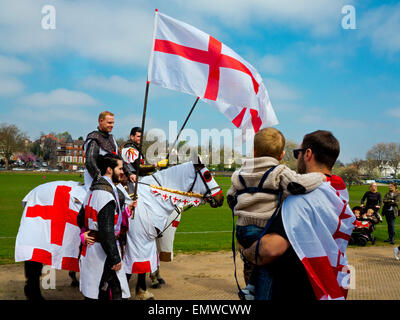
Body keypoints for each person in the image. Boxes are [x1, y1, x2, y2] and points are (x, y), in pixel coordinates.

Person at [241, 130, 355, 300]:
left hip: (294, 288)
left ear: (308, 154)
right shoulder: (338, 194)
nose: (296, 158)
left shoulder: (300, 200)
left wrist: (246, 252)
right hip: (323, 283)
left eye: (297, 153)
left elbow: (271, 249)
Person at [227, 127, 325, 300]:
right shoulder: (279, 172)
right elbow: (298, 185)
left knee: (256, 261)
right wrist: (320, 176)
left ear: (254, 151)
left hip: (242, 230)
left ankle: (250, 287)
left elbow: (231, 198)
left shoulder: (239, 173)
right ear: (281, 155)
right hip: (264, 230)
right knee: (269, 268)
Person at [77, 153, 135, 300]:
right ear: (110, 169)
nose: (123, 172)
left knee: (97, 291)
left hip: (92, 250)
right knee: (114, 291)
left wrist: (84, 234)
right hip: (103, 252)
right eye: (120, 169)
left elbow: (80, 218)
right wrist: (115, 257)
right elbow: (106, 231)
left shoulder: (93, 189)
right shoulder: (106, 195)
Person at [84, 111, 135, 189]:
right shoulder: (94, 138)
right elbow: (90, 162)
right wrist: (100, 180)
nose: (112, 125)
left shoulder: (112, 139)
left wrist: (129, 173)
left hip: (111, 180)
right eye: (109, 123)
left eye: (113, 123)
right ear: (100, 121)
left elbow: (119, 159)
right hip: (95, 181)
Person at [120, 126, 168, 194]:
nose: (141, 139)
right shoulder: (131, 150)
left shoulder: (133, 148)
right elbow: (139, 167)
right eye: (138, 136)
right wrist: (156, 165)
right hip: (132, 181)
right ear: (132, 136)